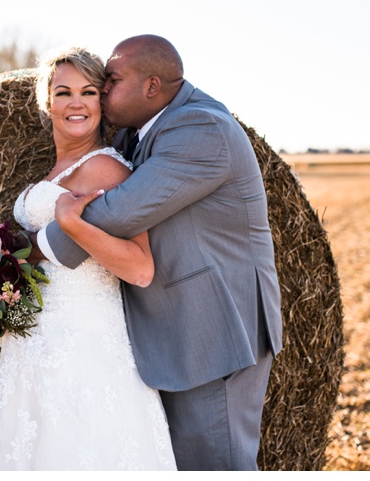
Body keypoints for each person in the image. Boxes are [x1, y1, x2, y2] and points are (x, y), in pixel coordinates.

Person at [30, 35, 283, 470]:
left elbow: (118, 211)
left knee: (215, 464)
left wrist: (17, 256)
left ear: (151, 86)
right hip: (175, 329)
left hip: (214, 329)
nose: (102, 91)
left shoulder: (201, 129)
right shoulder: (138, 134)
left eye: (111, 81)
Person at [0, 46, 177, 470]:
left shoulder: (107, 169)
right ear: (46, 102)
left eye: (88, 92)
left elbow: (140, 267)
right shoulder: (54, 173)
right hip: (33, 346)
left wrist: (74, 225)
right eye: (63, 92)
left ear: (101, 103)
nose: (76, 103)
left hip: (84, 342)